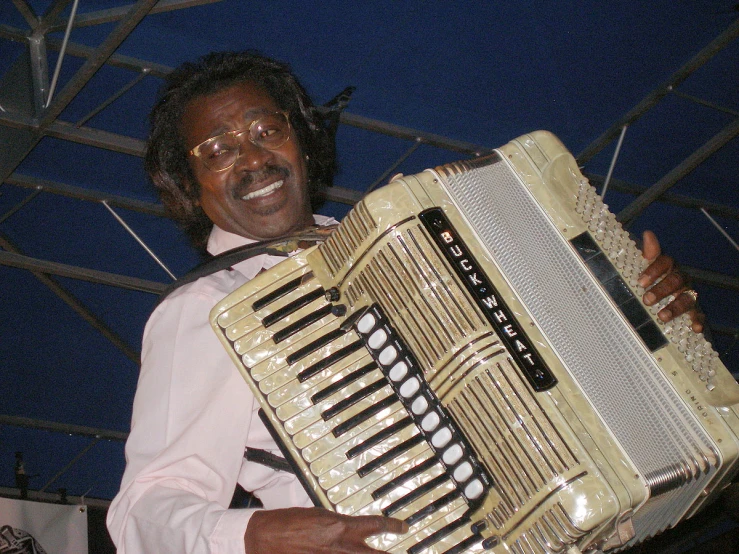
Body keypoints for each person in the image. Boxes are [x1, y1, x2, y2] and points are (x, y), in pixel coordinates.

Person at [107, 51, 703, 554]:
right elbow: (142, 510)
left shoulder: (403, 242)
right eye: (217, 151)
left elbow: (541, 367)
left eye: (268, 132)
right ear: (187, 187)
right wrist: (255, 535)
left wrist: (649, 329)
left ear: (303, 140)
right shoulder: (210, 308)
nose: (254, 160)